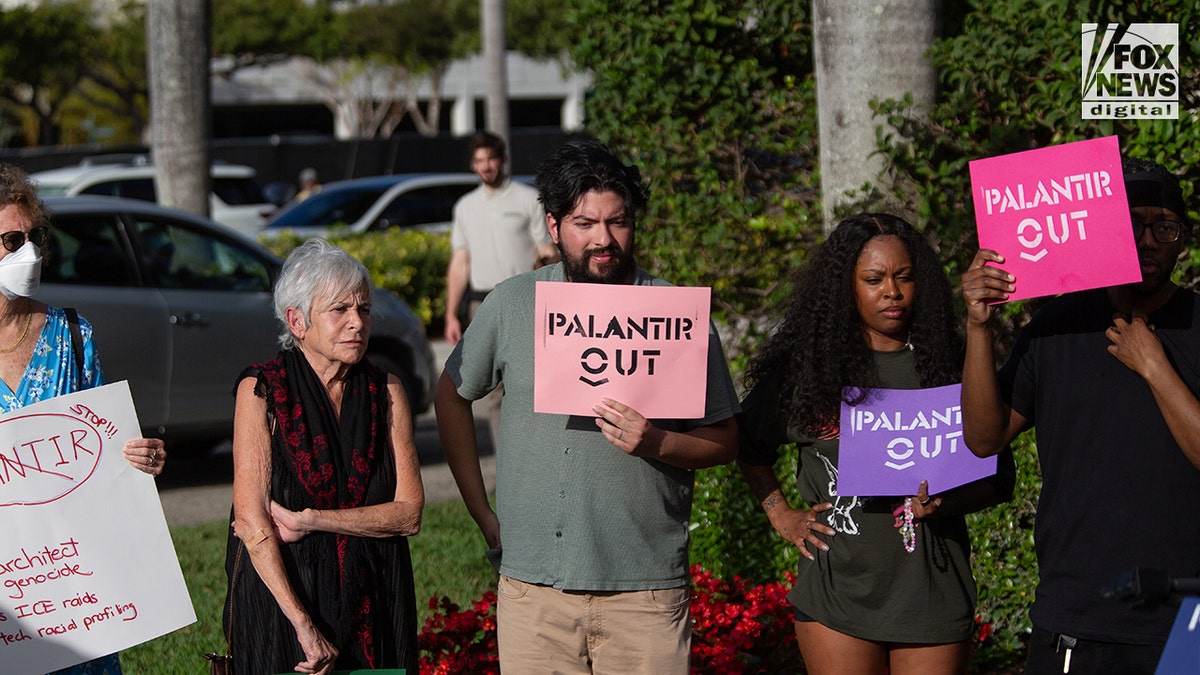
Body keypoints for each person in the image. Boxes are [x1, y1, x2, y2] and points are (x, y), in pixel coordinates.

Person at [436, 139, 740, 674]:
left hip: (645, 591)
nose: (603, 239)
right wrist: (483, 513)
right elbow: (451, 394)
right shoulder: (512, 303)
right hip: (535, 592)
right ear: (553, 227)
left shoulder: (676, 315)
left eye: (618, 222)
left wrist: (659, 442)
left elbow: (725, 441)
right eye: (584, 223)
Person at [738, 213, 1014, 675]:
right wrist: (781, 514)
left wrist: (945, 503)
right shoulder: (808, 371)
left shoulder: (952, 366)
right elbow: (745, 443)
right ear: (845, 286)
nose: (892, 291)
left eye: (905, 277)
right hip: (835, 596)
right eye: (874, 279)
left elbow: (999, 477)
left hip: (933, 593)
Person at [961, 157, 1200, 675]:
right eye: (1135, 224)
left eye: (1166, 226)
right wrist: (978, 329)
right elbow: (984, 438)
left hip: (1186, 617)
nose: (1150, 239)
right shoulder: (1057, 325)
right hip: (1076, 614)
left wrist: (1156, 368)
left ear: (1183, 238)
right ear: (1107, 229)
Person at [223, 238, 424, 675]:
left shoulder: (387, 391)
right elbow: (252, 523)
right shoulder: (261, 392)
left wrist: (313, 519)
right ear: (297, 320)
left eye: (364, 310)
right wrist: (304, 627)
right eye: (340, 310)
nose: (357, 323)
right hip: (287, 602)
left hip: (375, 597)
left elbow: (409, 515)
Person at [0, 163, 167, 675]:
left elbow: (103, 449)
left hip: (71, 584)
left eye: (35, 238)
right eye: (10, 239)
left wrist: (140, 456)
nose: (28, 252)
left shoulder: (73, 334)